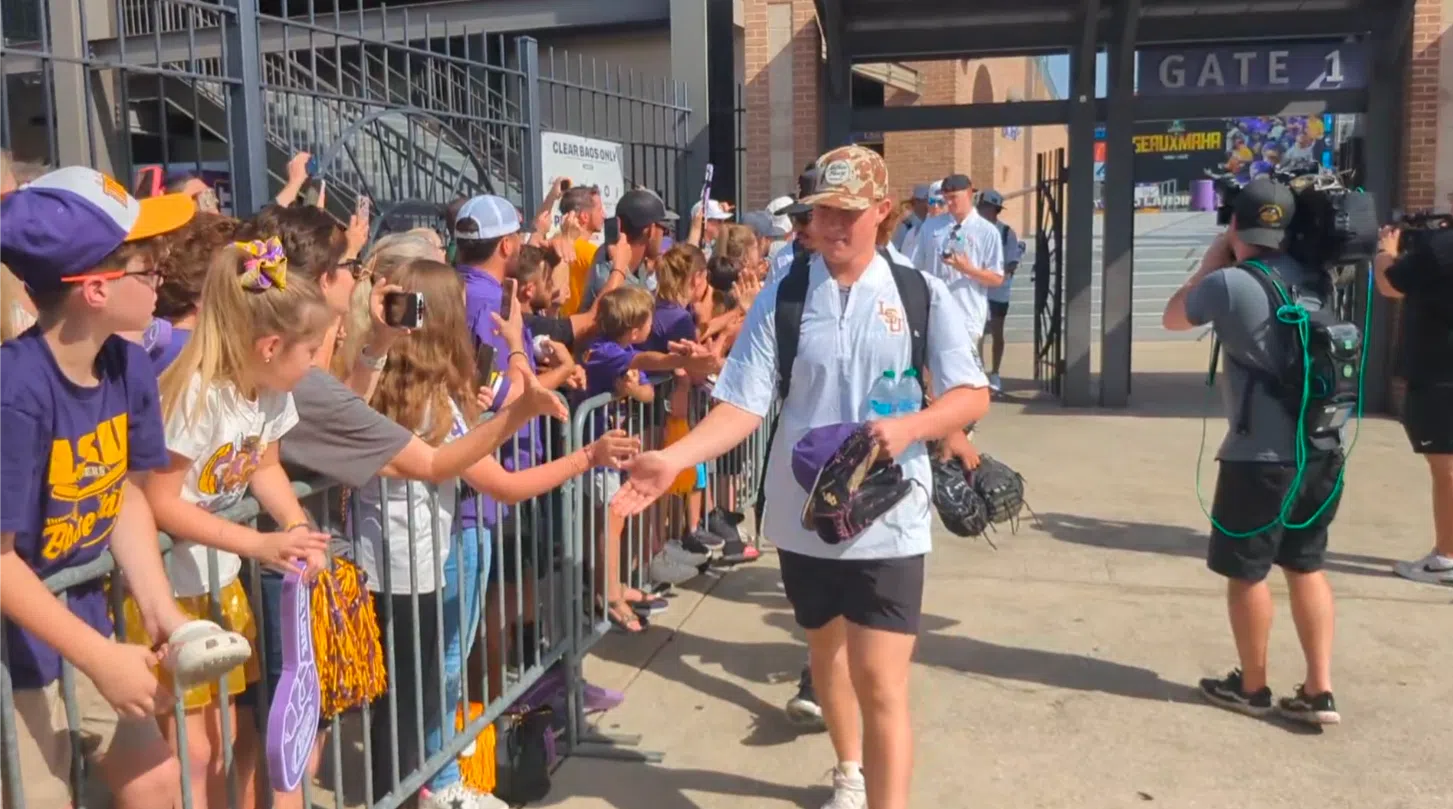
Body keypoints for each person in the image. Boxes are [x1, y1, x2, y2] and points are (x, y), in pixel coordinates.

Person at [612, 145, 990, 809]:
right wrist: (674, 458)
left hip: (888, 516)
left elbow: (969, 393)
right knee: (827, 655)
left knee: (881, 680)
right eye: (821, 213)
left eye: (848, 213)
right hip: (803, 514)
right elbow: (742, 403)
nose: (832, 227)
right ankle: (848, 770)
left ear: (882, 211)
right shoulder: (786, 296)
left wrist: (910, 428)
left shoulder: (915, 291)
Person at [353, 257, 637, 809]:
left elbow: (484, 437)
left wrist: (512, 349)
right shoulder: (411, 402)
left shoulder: (433, 393)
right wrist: (586, 454)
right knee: (415, 698)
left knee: (427, 688)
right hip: (399, 571)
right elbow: (500, 482)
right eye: (456, 310)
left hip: (418, 562)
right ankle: (427, 790)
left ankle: (431, 785)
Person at [0, 166, 230, 809]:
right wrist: (99, 658)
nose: (160, 270)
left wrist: (161, 610)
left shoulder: (126, 363)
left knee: (161, 781)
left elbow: (123, 492)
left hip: (82, 624)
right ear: (95, 289)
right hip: (17, 655)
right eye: (143, 262)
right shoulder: (14, 392)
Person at [144, 236, 333, 809]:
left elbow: (265, 466)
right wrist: (259, 541)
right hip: (169, 597)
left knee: (225, 740)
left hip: (219, 584)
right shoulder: (197, 395)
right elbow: (160, 501)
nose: (317, 361)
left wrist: (297, 528)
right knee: (189, 754)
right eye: (312, 350)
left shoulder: (268, 393)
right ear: (272, 346)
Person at [1161, 178, 1343, 726]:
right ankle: (1319, 689)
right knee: (1306, 565)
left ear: (1235, 225)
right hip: (1321, 448)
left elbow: (1174, 316)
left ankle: (1254, 685)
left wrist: (1213, 261)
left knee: (1248, 573)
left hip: (1257, 458)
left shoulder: (1231, 283)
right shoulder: (1318, 280)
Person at [1371, 224, 1453, 584]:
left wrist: (1384, 251)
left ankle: (1446, 558)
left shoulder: (1443, 247)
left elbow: (1391, 283)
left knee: (1447, 469)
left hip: (1441, 374)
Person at [913, 173, 1004, 340]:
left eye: (954, 197)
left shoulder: (986, 232)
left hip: (967, 315)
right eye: (945, 198)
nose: (949, 203)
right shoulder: (931, 227)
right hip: (935, 313)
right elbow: (916, 268)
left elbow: (997, 278)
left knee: (964, 365)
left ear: (969, 194)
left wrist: (968, 269)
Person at [578, 189, 678, 312]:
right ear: (651, 230)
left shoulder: (635, 264)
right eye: (665, 229)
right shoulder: (610, 272)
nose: (665, 236)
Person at [977, 190, 1022, 392]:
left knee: (997, 332)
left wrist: (996, 274)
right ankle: (978, 371)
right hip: (978, 289)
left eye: (985, 207)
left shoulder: (1006, 233)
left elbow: (1013, 261)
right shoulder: (974, 230)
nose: (981, 211)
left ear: (994, 210)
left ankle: (995, 372)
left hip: (998, 291)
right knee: (977, 334)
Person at [890, 184, 932, 252]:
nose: (928, 205)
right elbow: (895, 249)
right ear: (916, 202)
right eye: (925, 201)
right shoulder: (906, 225)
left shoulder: (932, 222)